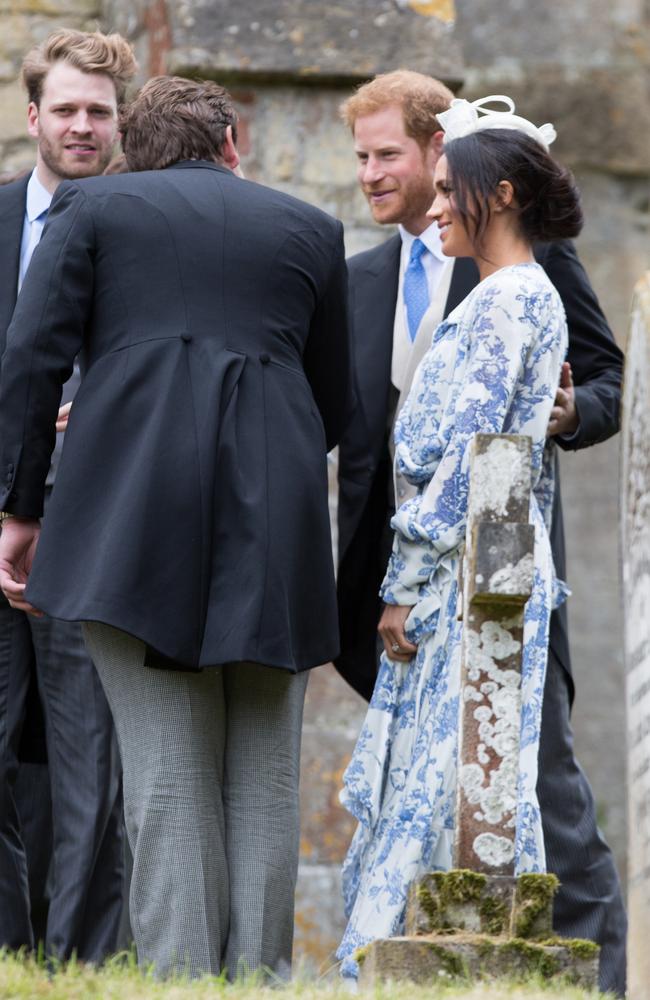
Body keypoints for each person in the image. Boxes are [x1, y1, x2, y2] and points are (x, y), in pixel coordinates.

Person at [0, 75, 352, 979]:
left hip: (130, 522)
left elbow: (32, 364)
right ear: (231, 143)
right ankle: (259, 986)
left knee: (164, 772)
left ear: (133, 148)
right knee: (266, 775)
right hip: (274, 525)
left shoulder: (90, 208)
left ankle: (183, 986)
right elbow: (339, 408)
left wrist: (20, 511)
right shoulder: (310, 229)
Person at [336, 71, 626, 996]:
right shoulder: (372, 278)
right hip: (442, 575)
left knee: (520, 794)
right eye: (362, 157)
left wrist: (405, 580)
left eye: (391, 156)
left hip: (476, 578)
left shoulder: (516, 290)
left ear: (454, 169)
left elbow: (478, 454)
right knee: (444, 806)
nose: (376, 175)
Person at [0, 28, 137, 961]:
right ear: (33, 115)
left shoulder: (144, 222)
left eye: (99, 112)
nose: (82, 126)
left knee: (90, 763)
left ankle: (77, 965)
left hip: (94, 530)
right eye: (67, 110)